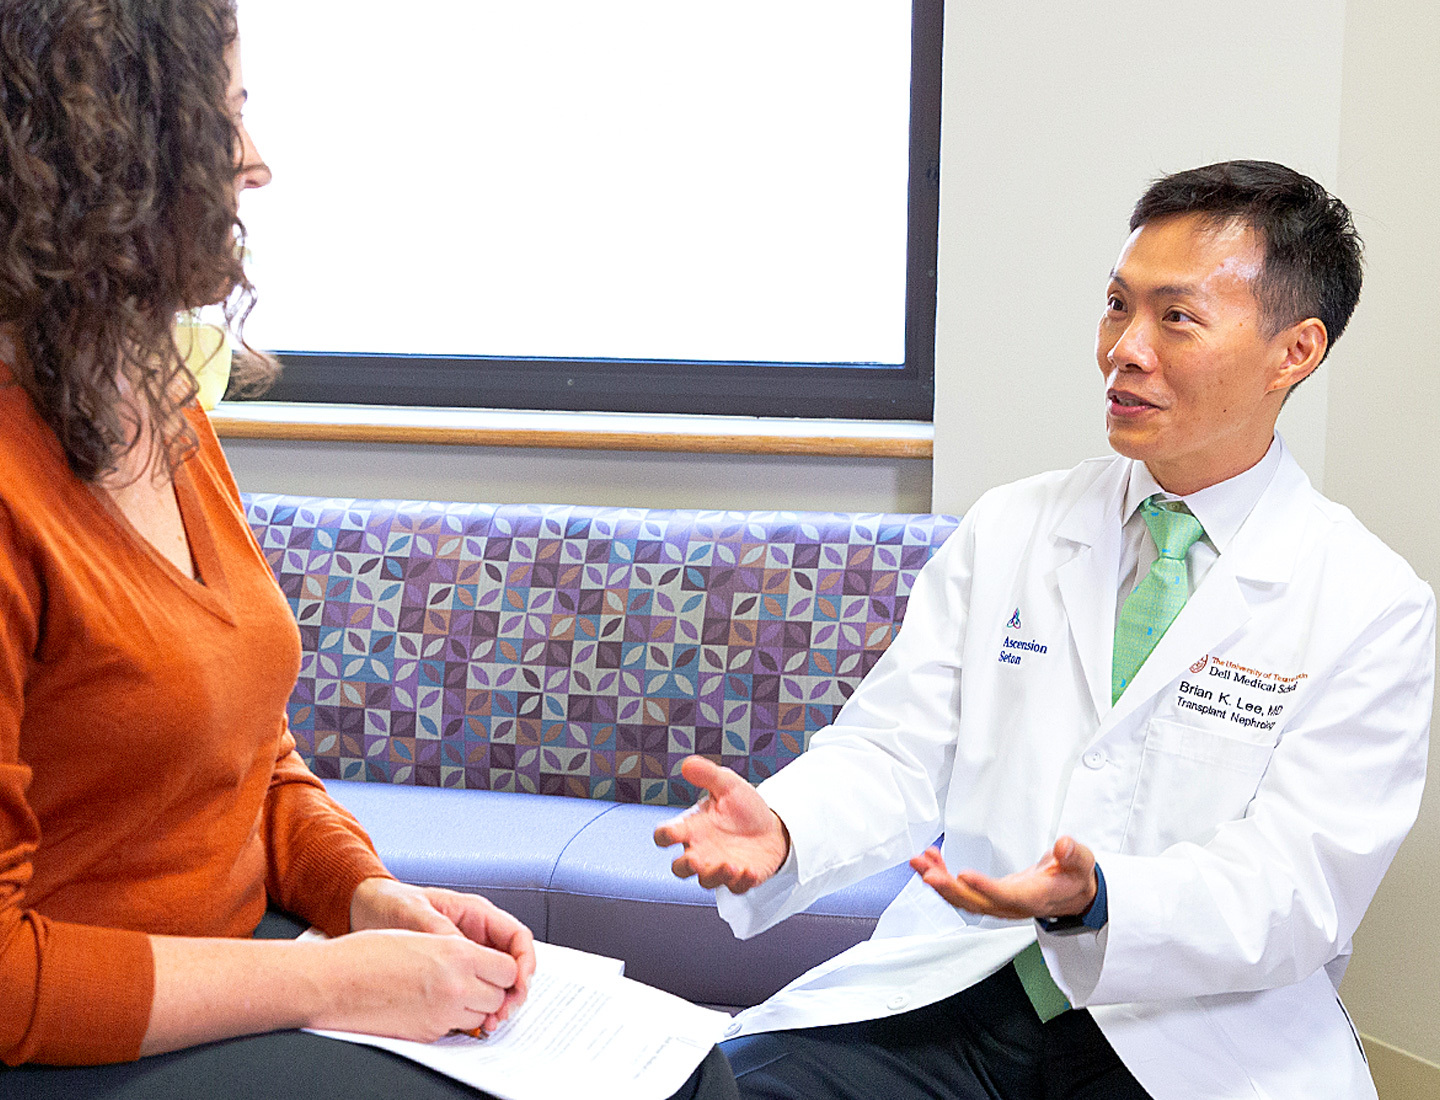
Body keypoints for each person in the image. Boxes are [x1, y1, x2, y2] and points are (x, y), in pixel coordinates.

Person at [0, 3, 736, 1098]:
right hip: (79, 1034)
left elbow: (256, 761)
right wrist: (334, 982)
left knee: (689, 1077)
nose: (256, 164)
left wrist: (369, 896)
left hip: (254, 952)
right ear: (108, 155)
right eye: (226, 120)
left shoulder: (158, 404)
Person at [656, 160, 1434, 1100]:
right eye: (1117, 305)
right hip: (965, 987)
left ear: (1294, 352)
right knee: (720, 1090)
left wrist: (1101, 900)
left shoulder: (1369, 603)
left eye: (1175, 317)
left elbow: (1297, 888)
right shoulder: (1015, 526)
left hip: (1196, 1037)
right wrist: (786, 826)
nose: (1123, 349)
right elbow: (898, 750)